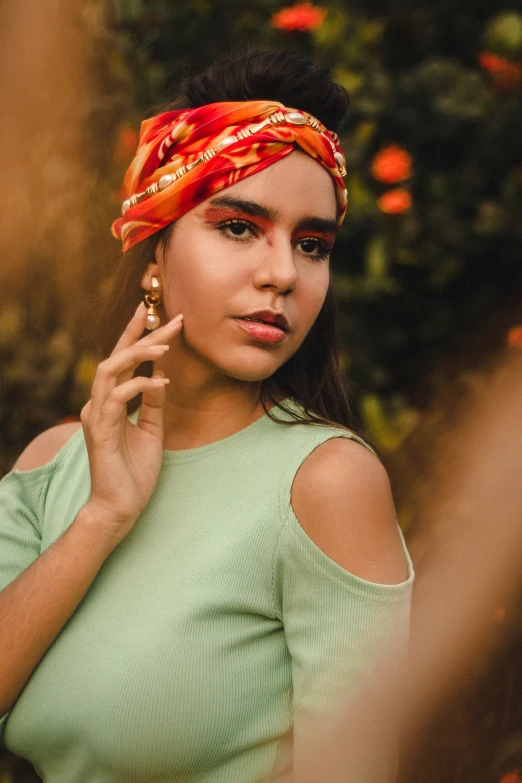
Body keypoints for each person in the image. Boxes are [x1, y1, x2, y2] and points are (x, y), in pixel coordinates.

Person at [0, 49, 414, 782]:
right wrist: (100, 517)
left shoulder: (326, 485)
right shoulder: (49, 464)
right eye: (239, 227)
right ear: (155, 248)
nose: (283, 273)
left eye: (312, 243)